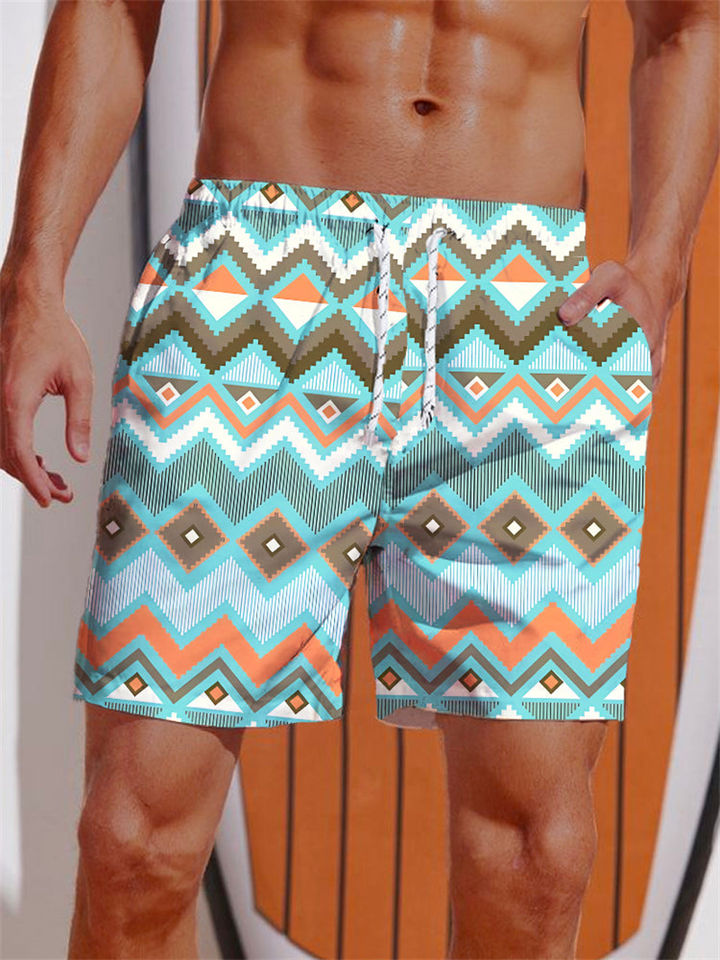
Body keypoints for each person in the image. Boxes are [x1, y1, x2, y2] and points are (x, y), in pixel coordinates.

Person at [1, 1, 717, 957]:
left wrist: (662, 267)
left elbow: (686, 25)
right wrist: (33, 279)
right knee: (135, 842)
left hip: (523, 312)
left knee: (533, 858)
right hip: (258, 287)